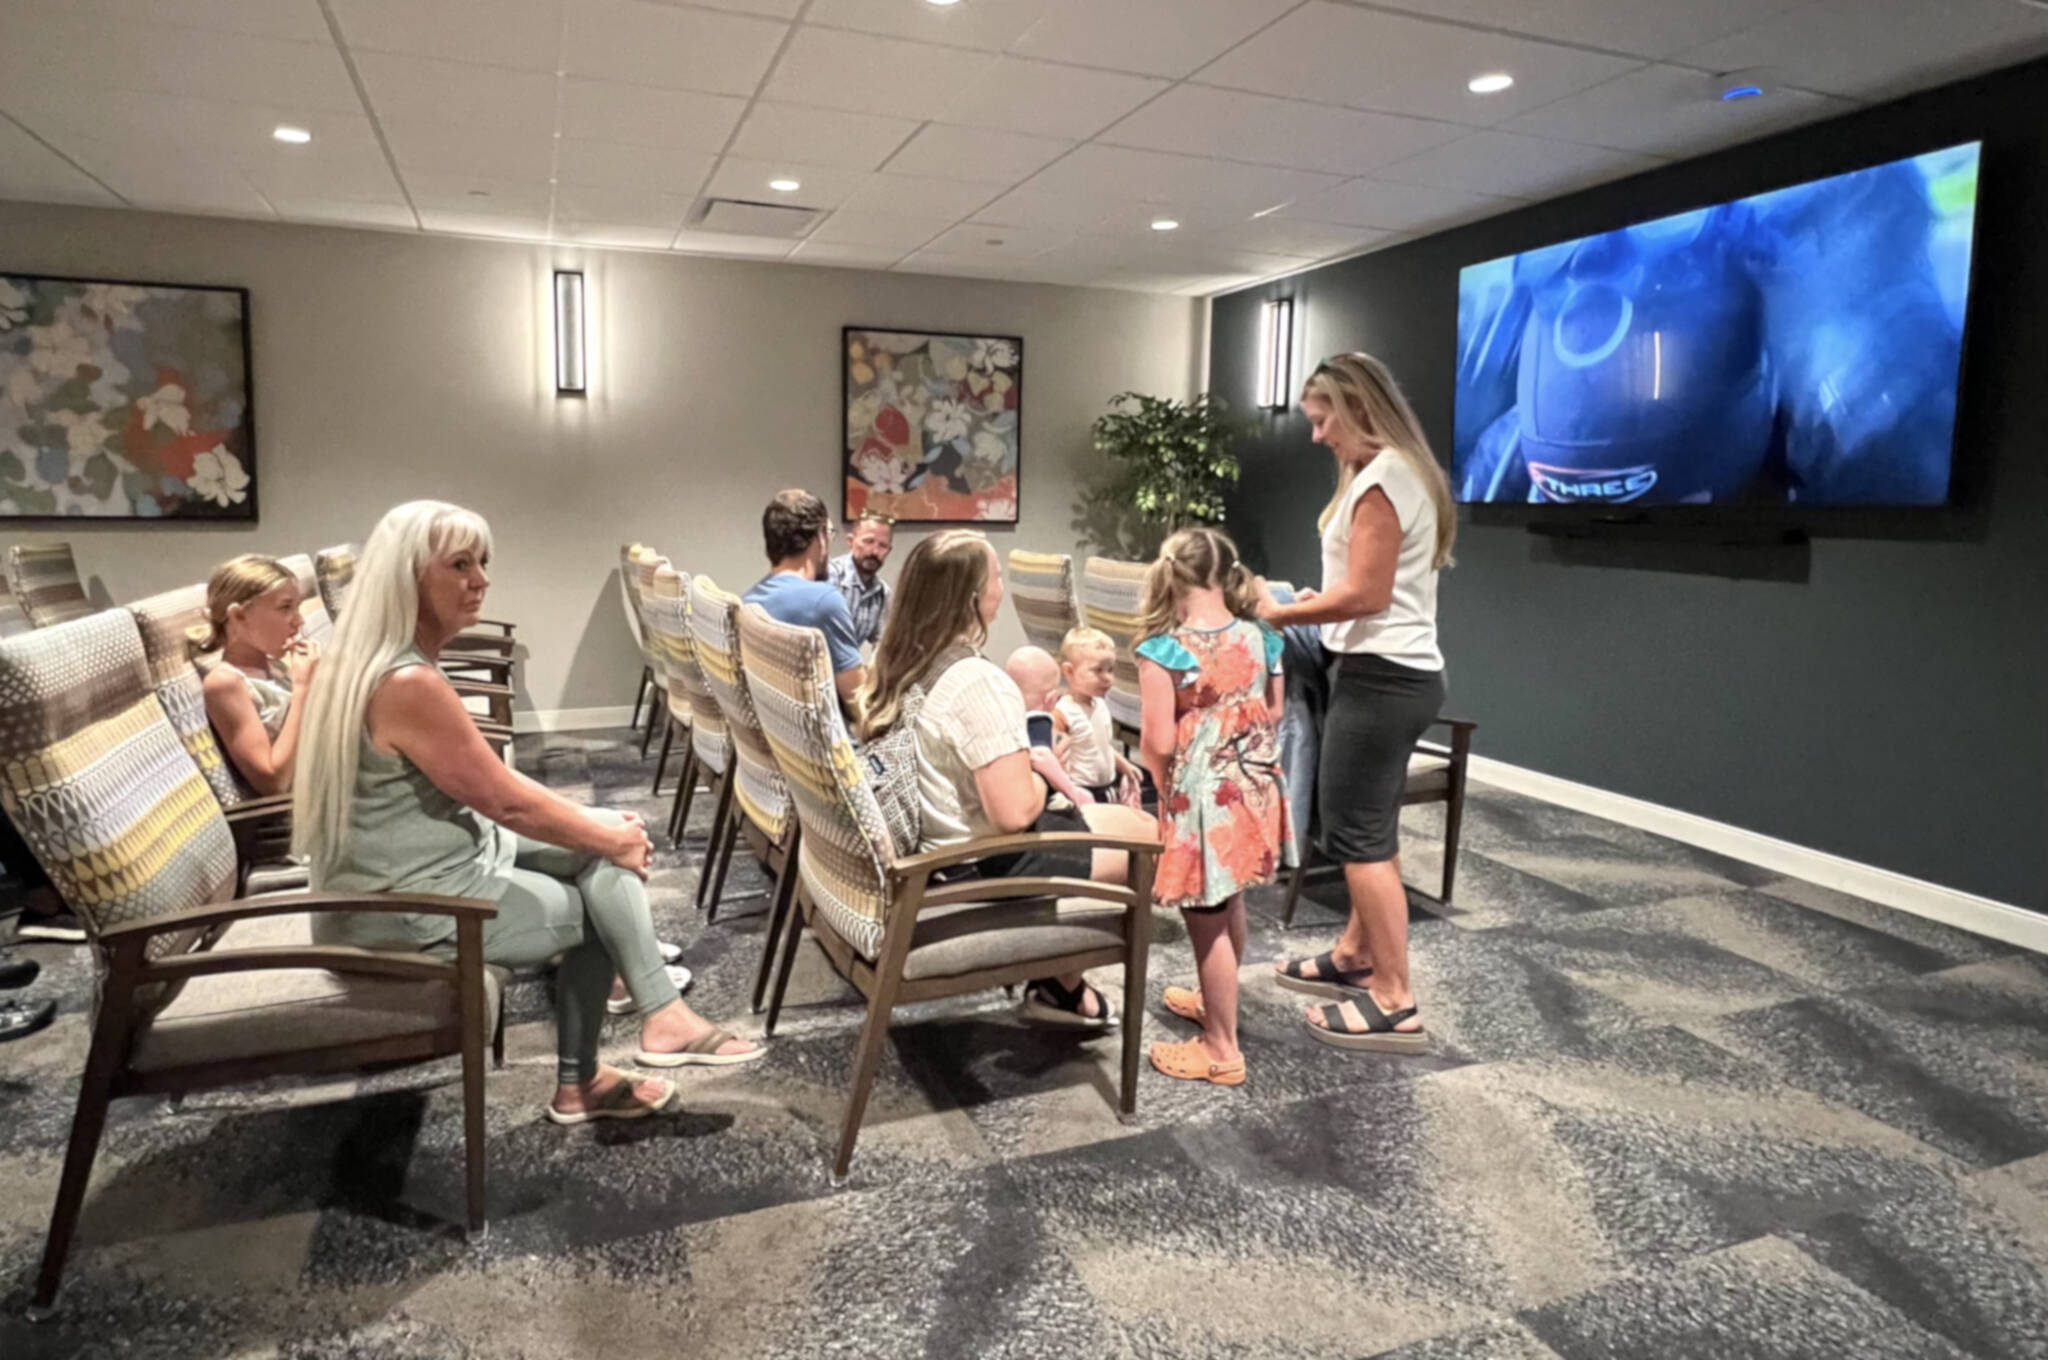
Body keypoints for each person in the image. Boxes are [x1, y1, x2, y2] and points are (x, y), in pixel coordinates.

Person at [294, 501, 761, 1128]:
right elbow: (502, 801)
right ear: (406, 577)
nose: (481, 579)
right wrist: (604, 833)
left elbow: (484, 776)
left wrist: (602, 829)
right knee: (599, 910)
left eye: (483, 562)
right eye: (459, 565)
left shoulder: (378, 659)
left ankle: (653, 1021)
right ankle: (598, 1069)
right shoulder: (407, 683)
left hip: (408, 875)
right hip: (406, 911)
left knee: (602, 845)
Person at [856, 531, 1157, 1029]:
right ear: (974, 598)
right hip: (972, 862)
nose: (1001, 585)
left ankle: (1061, 984)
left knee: (1119, 817)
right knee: (1145, 837)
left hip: (933, 841)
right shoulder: (977, 681)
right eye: (996, 576)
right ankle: (1058, 978)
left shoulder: (901, 661)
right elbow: (1014, 814)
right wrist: (1043, 766)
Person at [1259, 353, 1454, 1054]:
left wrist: (1278, 613)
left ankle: (1396, 1000)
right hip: (1383, 670)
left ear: (1356, 408)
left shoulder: (1388, 477)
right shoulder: (1388, 473)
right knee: (1367, 827)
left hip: (1383, 679)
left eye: (1321, 421)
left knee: (1357, 838)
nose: (1316, 436)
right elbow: (1368, 589)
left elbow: (1369, 595)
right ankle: (1352, 955)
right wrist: (1318, 606)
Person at [1134, 529, 1289, 1087]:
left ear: (1171, 575)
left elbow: (1160, 742)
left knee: (1204, 917)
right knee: (1229, 900)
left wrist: (1160, 792)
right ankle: (1214, 1002)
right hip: (1253, 786)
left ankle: (1221, 1048)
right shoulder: (1263, 637)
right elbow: (1273, 712)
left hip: (1199, 794)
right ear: (1224, 574)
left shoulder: (1164, 651)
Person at [197, 554, 319, 797]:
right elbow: (273, 780)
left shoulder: (276, 666)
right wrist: (304, 687)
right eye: (286, 608)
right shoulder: (225, 683)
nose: (299, 620)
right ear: (238, 616)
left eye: (297, 607)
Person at [744, 490, 865, 705]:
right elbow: (858, 701)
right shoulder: (822, 602)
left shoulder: (749, 602)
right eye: (829, 533)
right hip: (836, 738)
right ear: (820, 537)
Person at [1053, 627, 1142, 806]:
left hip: (1108, 788)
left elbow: (1101, 746)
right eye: (1098, 671)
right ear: (1069, 671)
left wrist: (1124, 765)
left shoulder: (1100, 705)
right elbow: (1054, 757)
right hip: (1082, 791)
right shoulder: (1063, 713)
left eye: (1110, 670)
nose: (1108, 678)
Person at [1001, 645, 1096, 811]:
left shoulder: (1003, 716)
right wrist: (1072, 791)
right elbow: (1041, 756)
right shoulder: (1037, 718)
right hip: (1039, 801)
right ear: (1052, 699)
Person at [826, 510, 894, 647]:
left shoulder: (882, 594)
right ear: (851, 541)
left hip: (849, 667)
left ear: (889, 550)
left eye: (882, 546)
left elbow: (882, 646)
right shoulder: (830, 576)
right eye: (868, 542)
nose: (874, 551)